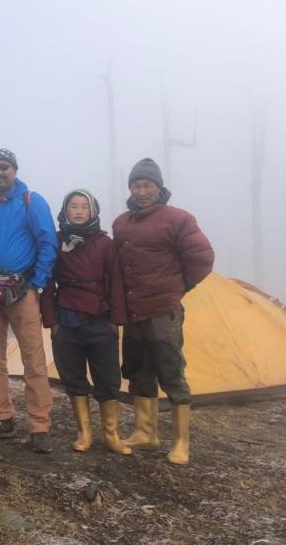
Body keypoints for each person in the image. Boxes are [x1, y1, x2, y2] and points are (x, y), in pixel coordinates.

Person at [113, 158, 214, 465]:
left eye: (147, 185)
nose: (141, 191)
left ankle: (181, 442)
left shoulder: (178, 219)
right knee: (137, 370)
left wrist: (179, 287)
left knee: (171, 372)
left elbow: (202, 258)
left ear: (159, 188)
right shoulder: (121, 223)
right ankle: (146, 432)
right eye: (136, 185)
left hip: (163, 310)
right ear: (130, 188)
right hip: (133, 312)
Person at [0, 148, 57, 453]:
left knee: (33, 358)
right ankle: (0, 417)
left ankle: (39, 424)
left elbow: (47, 242)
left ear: (14, 170)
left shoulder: (31, 201)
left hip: (23, 289)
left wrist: (37, 283)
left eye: (4, 167)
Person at [40, 189, 131, 455]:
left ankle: (111, 435)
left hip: (100, 320)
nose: (79, 211)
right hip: (66, 319)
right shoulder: (55, 242)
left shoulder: (105, 243)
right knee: (74, 377)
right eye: (73, 206)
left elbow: (115, 281)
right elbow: (47, 283)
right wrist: (52, 322)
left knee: (108, 377)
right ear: (65, 211)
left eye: (84, 206)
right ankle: (85, 433)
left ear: (93, 211)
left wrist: (115, 321)